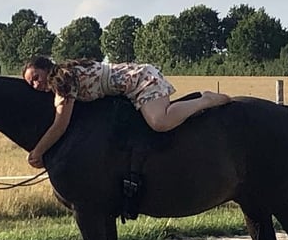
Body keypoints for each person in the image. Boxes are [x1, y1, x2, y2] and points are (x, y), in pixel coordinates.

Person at [22, 56, 230, 168]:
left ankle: (205, 100)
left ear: (46, 67)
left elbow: (60, 124)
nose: (36, 85)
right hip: (131, 87)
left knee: (160, 122)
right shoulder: (65, 76)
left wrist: (37, 152)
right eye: (31, 83)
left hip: (140, 81)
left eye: (36, 77)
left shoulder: (63, 80)